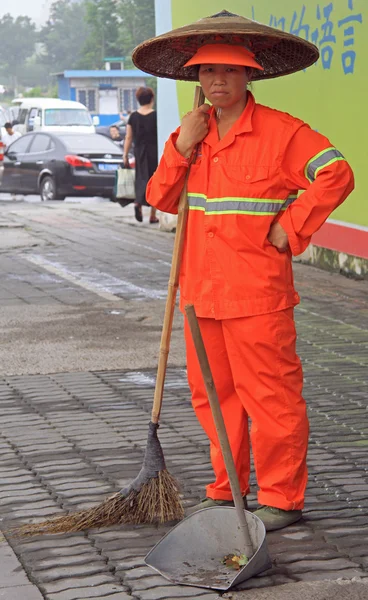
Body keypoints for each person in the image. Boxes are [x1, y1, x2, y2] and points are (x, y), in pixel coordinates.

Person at [143, 15, 354, 531]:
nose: (218, 81)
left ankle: (282, 498)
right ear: (197, 78)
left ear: (250, 75)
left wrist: (292, 225)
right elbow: (158, 198)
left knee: (272, 398)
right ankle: (226, 490)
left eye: (230, 71)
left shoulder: (283, 133)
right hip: (198, 293)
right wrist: (179, 147)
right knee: (214, 397)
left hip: (257, 294)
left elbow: (336, 173)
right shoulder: (190, 134)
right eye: (208, 71)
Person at [123, 87, 159, 224]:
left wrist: (125, 155)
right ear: (151, 99)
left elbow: (128, 137)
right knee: (154, 180)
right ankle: (153, 215)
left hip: (139, 151)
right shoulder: (156, 116)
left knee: (141, 177)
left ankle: (138, 202)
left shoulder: (133, 117)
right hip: (154, 151)